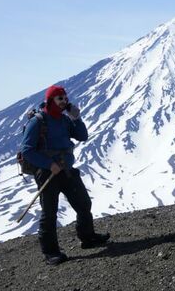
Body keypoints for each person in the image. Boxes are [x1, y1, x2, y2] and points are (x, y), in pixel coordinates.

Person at [20, 85, 110, 265]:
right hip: (47, 173)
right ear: (50, 100)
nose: (64, 101)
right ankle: (50, 253)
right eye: (59, 98)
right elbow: (27, 150)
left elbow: (82, 136)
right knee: (49, 213)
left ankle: (88, 237)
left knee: (83, 203)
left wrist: (76, 117)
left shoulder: (64, 119)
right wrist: (49, 164)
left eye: (65, 98)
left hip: (66, 170)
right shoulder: (38, 121)